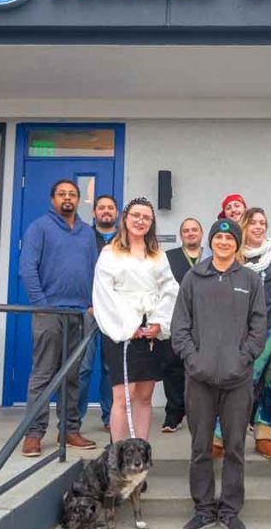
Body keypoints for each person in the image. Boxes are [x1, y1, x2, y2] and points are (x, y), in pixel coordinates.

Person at [172, 218, 266, 529]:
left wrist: (244, 360)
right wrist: (192, 359)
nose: (224, 242)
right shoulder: (192, 278)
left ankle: (229, 511)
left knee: (235, 447)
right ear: (211, 242)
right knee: (200, 447)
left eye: (230, 238)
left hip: (237, 379)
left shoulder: (250, 280)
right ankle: (203, 511)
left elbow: (259, 329)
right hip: (199, 378)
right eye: (219, 237)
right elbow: (180, 326)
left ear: (237, 244)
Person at [19, 179, 100, 456]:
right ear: (52, 199)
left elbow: (94, 271)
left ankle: (70, 429)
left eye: (72, 194)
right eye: (62, 194)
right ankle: (33, 434)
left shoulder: (87, 233)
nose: (68, 198)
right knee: (43, 375)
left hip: (78, 315)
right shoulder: (39, 228)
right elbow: (27, 269)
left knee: (72, 376)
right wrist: (41, 304)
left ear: (78, 200)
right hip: (49, 312)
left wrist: (92, 304)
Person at [92, 197, 179, 444]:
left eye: (146, 218)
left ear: (151, 224)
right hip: (122, 334)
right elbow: (103, 293)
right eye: (136, 216)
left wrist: (159, 323)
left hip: (150, 335)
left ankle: (140, 453)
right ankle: (118, 456)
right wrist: (127, 327)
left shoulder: (157, 256)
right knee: (123, 396)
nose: (140, 221)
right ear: (125, 219)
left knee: (144, 396)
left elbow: (170, 290)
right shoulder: (110, 254)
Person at [213, 207, 271, 460]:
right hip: (243, 329)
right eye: (253, 222)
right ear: (244, 224)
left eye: (263, 222)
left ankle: (264, 435)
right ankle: (219, 435)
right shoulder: (235, 254)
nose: (259, 227)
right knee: (243, 381)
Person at [162, 218, 212, 432]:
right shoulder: (168, 257)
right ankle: (173, 415)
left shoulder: (212, 256)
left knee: (201, 367)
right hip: (177, 319)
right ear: (181, 235)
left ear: (201, 234)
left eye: (194, 230)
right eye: (186, 230)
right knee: (173, 368)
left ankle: (202, 414)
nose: (190, 233)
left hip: (206, 322)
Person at [77, 194, 117, 430]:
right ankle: (73, 421)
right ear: (94, 213)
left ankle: (110, 418)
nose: (105, 211)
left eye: (110, 208)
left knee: (110, 369)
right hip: (89, 311)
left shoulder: (124, 240)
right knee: (83, 368)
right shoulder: (82, 237)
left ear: (116, 213)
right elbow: (77, 273)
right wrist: (86, 304)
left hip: (114, 314)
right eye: (101, 208)